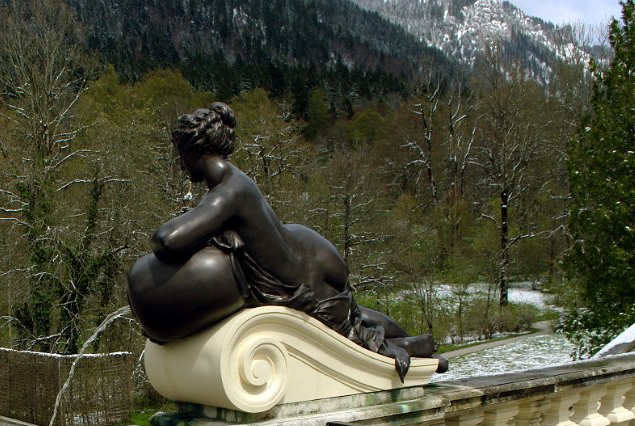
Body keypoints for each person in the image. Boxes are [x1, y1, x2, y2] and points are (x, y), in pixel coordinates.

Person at [140, 102, 436, 374]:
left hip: (298, 276)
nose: (181, 166)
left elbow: (166, 240)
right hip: (310, 250)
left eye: (182, 157)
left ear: (196, 151)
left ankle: (411, 348)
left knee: (351, 328)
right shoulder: (238, 180)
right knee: (351, 313)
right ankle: (419, 344)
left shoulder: (226, 193)